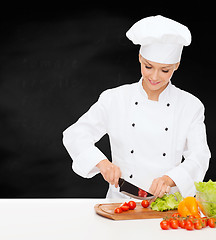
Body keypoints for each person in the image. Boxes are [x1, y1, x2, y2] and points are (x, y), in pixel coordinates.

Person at [62, 15, 211, 199]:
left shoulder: (190, 106)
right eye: (149, 67)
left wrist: (170, 179)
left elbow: (199, 156)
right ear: (140, 58)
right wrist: (102, 163)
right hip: (120, 203)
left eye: (165, 70)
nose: (155, 77)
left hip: (166, 205)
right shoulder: (115, 99)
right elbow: (76, 134)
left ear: (176, 66)